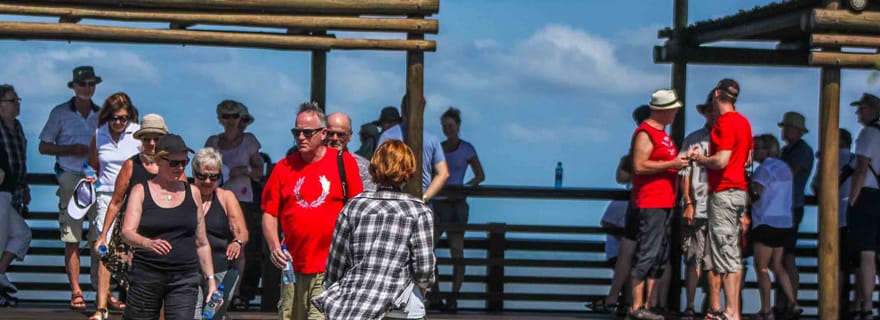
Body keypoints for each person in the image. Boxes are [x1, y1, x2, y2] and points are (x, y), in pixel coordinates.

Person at [312, 139, 436, 320]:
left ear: (374, 168)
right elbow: (424, 268)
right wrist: (424, 285)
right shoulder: (419, 211)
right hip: (402, 308)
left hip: (354, 306)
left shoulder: (354, 206)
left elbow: (335, 266)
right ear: (408, 171)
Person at [262, 102, 363, 320]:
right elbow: (269, 212)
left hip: (330, 267)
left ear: (323, 133)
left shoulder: (343, 162)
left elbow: (357, 210)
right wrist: (273, 246)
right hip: (292, 267)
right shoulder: (283, 167)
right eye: (296, 132)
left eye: (307, 132)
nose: (301, 137)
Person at [120, 134, 218, 319]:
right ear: (158, 161)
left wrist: (211, 282)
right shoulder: (141, 190)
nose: (180, 167)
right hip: (147, 274)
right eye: (174, 163)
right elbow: (127, 232)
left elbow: (202, 243)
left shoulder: (193, 192)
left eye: (184, 162)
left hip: (184, 277)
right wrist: (147, 243)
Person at [38, 66, 101, 310]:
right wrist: (70, 149)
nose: (87, 88)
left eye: (90, 83)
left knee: (99, 237)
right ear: (74, 86)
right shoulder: (60, 113)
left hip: (96, 178)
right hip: (70, 176)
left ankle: (101, 290)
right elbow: (44, 146)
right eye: (82, 83)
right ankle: (76, 291)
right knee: (71, 237)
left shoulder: (102, 114)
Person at [689, 79, 753, 320]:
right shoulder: (744, 122)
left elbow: (721, 160)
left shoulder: (724, 123)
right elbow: (748, 159)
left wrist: (701, 159)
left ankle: (730, 312)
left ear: (717, 94)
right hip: (739, 192)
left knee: (724, 254)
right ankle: (733, 311)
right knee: (733, 253)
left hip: (724, 191)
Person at [626, 89, 687, 320]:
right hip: (651, 200)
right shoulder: (645, 133)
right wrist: (672, 164)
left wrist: (678, 162)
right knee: (647, 252)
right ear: (663, 110)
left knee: (660, 255)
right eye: (673, 110)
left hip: (666, 201)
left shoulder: (663, 135)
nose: (675, 114)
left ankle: (648, 305)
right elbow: (639, 165)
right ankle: (636, 306)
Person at [94, 114, 171, 294]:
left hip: (161, 230)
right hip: (133, 230)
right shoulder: (131, 164)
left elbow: (183, 198)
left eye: (156, 139)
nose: (152, 143)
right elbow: (116, 201)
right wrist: (103, 235)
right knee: (119, 271)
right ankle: (103, 304)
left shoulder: (172, 165)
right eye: (147, 139)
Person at [588, 104, 650, 315]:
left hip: (641, 209)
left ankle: (621, 302)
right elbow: (621, 176)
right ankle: (628, 303)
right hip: (642, 210)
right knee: (634, 262)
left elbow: (621, 176)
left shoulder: (638, 146)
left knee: (635, 261)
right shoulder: (622, 200)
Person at [203, 100, 264, 309]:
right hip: (215, 198)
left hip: (242, 198)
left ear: (241, 119)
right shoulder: (213, 141)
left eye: (234, 116)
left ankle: (237, 293)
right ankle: (211, 289)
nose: (230, 120)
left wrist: (244, 171)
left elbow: (260, 170)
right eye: (226, 116)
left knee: (241, 245)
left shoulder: (249, 141)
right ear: (220, 119)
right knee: (211, 243)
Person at [86, 92, 141, 320]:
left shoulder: (138, 133)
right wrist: (92, 176)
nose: (118, 122)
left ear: (129, 117)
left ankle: (136, 302)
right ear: (106, 117)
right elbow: (92, 164)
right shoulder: (99, 134)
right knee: (104, 247)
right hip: (106, 195)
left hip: (133, 195)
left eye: (122, 118)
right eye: (114, 118)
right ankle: (101, 306)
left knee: (134, 248)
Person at [428, 107, 485, 311]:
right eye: (444, 126)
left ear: (458, 126)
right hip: (439, 203)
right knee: (428, 250)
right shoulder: (439, 148)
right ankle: (436, 294)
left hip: (457, 204)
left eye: (450, 126)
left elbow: (479, 175)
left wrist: (464, 189)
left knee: (456, 251)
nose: (447, 129)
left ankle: (453, 297)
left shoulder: (467, 148)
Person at [191, 147, 249, 320]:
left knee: (213, 317)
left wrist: (237, 242)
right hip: (190, 270)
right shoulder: (185, 194)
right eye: (202, 176)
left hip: (220, 268)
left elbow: (242, 232)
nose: (208, 181)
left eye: (214, 176)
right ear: (194, 173)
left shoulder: (225, 197)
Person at [748, 134, 799, 320]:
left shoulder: (765, 168)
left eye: (758, 147)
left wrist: (745, 190)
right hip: (784, 221)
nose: (754, 151)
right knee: (777, 265)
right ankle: (793, 302)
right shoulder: (784, 167)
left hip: (766, 221)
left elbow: (756, 195)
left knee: (761, 268)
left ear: (768, 150)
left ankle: (766, 310)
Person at [811, 129, 860, 316]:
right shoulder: (856, 160)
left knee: (836, 265)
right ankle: (857, 305)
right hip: (854, 218)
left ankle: (834, 303)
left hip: (832, 219)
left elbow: (816, 187)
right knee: (858, 265)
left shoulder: (826, 159)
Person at [678, 94, 715, 320]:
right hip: (698, 203)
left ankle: (712, 307)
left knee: (715, 261)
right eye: (709, 110)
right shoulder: (693, 139)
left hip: (720, 206)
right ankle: (690, 306)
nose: (713, 114)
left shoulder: (729, 138)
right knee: (693, 258)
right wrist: (688, 202)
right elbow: (684, 172)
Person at [847, 93, 880, 320]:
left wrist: (852, 201)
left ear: (872, 110)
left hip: (867, 197)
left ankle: (866, 306)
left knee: (867, 254)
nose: (858, 113)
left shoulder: (868, 134)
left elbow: (860, 170)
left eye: (862, 109)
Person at [777, 111, 813, 314]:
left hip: (791, 208)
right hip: (783, 208)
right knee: (781, 257)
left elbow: (787, 173)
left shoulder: (802, 151)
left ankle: (791, 302)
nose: (785, 131)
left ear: (798, 131)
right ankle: (784, 302)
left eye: (788, 127)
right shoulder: (787, 151)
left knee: (787, 255)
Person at [0, 84, 31, 303]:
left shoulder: (17, 127)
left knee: (22, 234)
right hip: (1, 191)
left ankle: (0, 273)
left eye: (17, 100)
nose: (17, 104)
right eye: (12, 101)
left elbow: (21, 159)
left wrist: (25, 186)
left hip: (12, 192)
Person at [325, 112, 376, 191]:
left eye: (340, 134)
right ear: (323, 133)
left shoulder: (363, 168)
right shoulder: (311, 162)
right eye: (330, 133)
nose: (335, 138)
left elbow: (367, 196)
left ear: (350, 136)